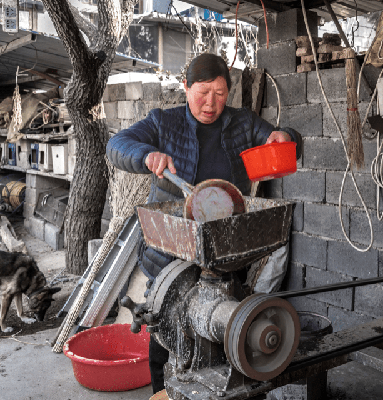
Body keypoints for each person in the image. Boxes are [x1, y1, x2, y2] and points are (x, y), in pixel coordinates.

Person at [106, 53, 302, 394]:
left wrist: (285, 136)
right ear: (186, 87)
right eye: (202, 93)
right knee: (166, 331)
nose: (211, 103)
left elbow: (286, 141)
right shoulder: (163, 123)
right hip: (171, 250)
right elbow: (116, 145)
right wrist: (147, 155)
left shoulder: (244, 123)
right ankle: (163, 394)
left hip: (225, 249)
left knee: (225, 335)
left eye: (220, 93)